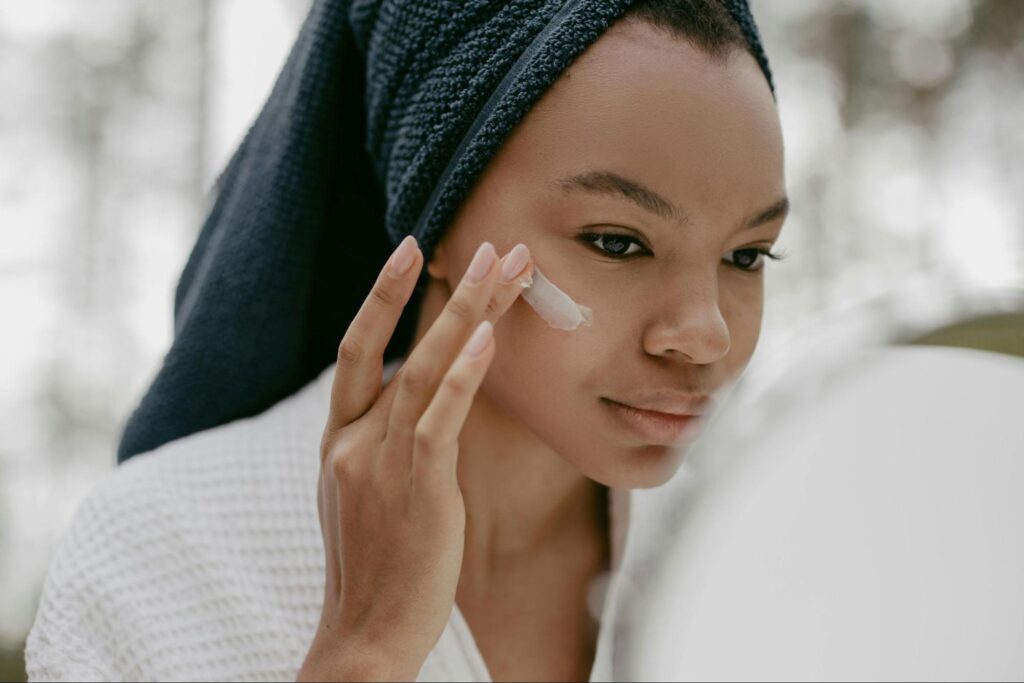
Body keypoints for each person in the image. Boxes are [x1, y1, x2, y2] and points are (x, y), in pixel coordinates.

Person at [25, 0, 787, 680]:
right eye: (618, 242)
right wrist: (364, 652)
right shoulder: (153, 557)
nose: (705, 334)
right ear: (439, 222)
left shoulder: (766, 554)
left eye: (746, 255)